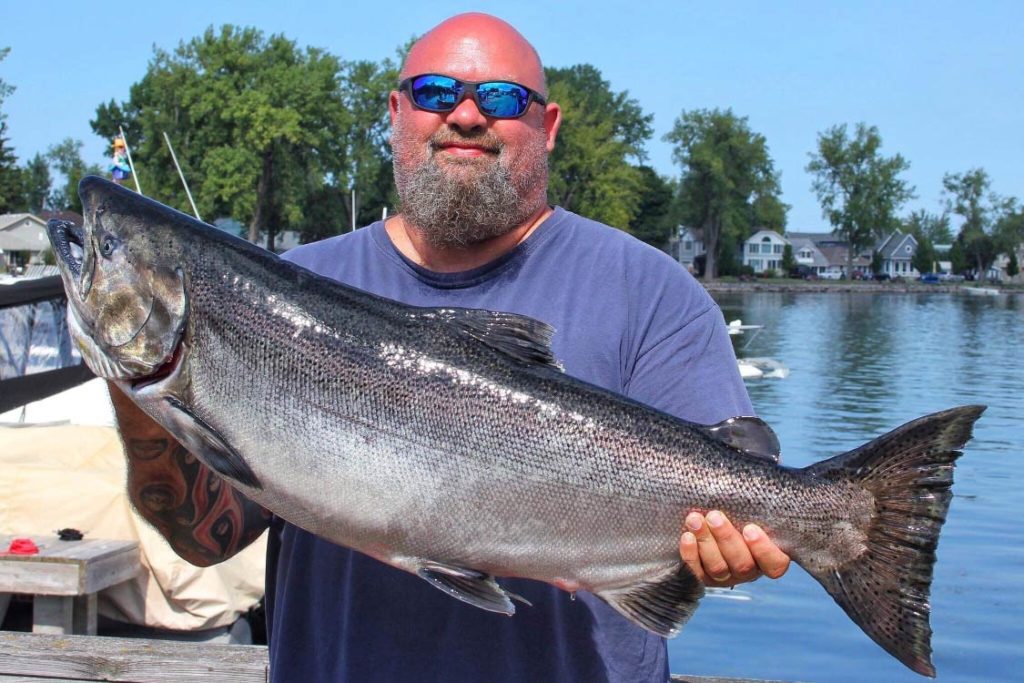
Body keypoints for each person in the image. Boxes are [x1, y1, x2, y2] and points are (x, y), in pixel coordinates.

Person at [108, 12, 790, 682]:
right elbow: (205, 536)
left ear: (547, 128)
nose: (465, 115)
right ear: (397, 112)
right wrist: (136, 373)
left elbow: (732, 498)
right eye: (437, 93)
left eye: (500, 98)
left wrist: (741, 539)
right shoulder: (290, 292)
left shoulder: (650, 292)